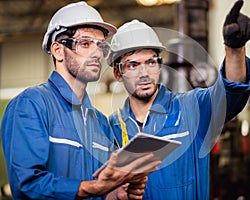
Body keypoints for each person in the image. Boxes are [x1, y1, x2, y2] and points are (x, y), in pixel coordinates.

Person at [1, 2, 161, 200]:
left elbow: (100, 190)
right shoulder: (31, 105)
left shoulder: (101, 123)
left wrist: (115, 195)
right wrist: (93, 187)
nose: (97, 53)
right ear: (58, 50)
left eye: (101, 45)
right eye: (85, 43)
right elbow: (27, 185)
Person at [107, 0, 250, 199]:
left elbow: (231, 93)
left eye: (151, 62)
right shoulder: (110, 128)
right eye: (133, 65)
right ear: (118, 73)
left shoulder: (191, 108)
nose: (144, 73)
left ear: (160, 66)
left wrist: (234, 49)